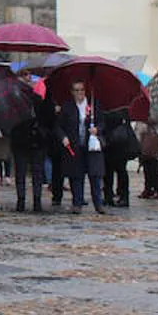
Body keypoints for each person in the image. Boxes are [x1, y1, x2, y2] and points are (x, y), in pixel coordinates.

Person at [57, 81, 108, 215]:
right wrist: (63, 137)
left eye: (82, 90)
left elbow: (103, 122)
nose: (79, 93)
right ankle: (77, 203)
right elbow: (58, 126)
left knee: (95, 175)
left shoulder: (93, 104)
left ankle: (98, 204)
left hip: (91, 145)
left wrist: (97, 129)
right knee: (76, 176)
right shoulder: (67, 106)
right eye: (76, 90)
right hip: (74, 145)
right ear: (72, 92)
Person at [11, 92, 49, 212]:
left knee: (37, 172)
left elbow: (49, 120)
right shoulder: (16, 104)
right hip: (20, 142)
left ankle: (37, 200)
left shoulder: (41, 102)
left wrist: (42, 132)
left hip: (38, 142)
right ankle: (21, 200)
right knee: (20, 172)